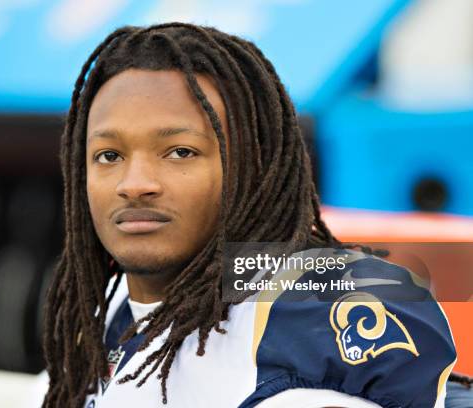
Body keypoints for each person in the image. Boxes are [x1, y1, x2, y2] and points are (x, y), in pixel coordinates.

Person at [39, 23, 461, 408]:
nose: (134, 183)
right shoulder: (105, 314)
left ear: (252, 164)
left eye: (180, 152)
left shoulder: (307, 314)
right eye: (109, 155)